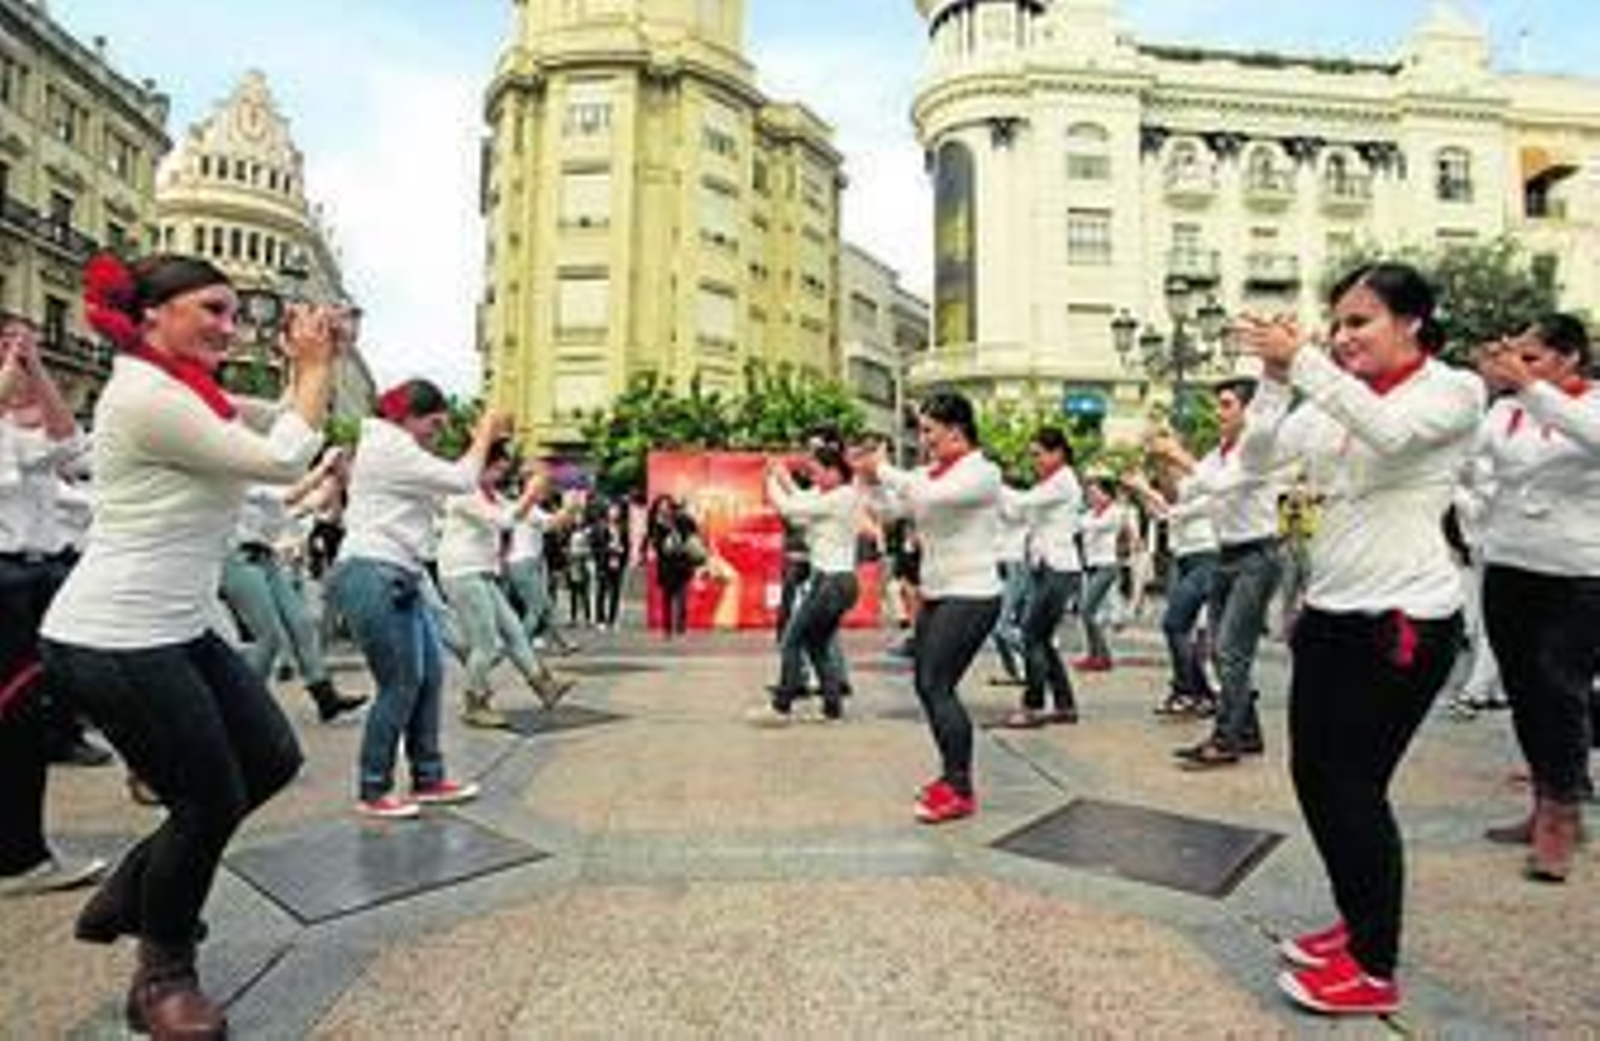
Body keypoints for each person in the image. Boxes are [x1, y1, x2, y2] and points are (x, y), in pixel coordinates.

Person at [39, 253, 346, 1037]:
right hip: (114, 636)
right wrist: (311, 367)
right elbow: (283, 457)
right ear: (151, 318)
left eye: (232, 311)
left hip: (174, 627)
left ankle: (132, 887)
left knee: (271, 758)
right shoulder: (143, 397)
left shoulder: (190, 390)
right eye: (210, 308)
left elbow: (274, 418)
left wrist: (313, 366)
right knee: (206, 798)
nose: (226, 324)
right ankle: (162, 975)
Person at [1232, 261, 1483, 1016]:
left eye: (1360, 321)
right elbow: (1255, 459)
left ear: (1412, 321)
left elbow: (1394, 434)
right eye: (1337, 323)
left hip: (1403, 619)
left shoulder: (1453, 390)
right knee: (1315, 775)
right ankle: (1356, 920)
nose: (1343, 337)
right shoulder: (1332, 397)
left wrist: (1305, 362)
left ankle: (1375, 965)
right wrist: (1274, 379)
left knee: (1354, 788)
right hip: (1332, 612)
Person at [329, 379, 508, 820]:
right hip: (375, 573)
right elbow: (460, 480)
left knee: (428, 678)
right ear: (408, 416)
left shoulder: (396, 447)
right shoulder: (389, 446)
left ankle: (428, 778)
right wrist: (484, 433)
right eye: (434, 424)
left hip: (399, 575)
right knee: (400, 685)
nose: (437, 433)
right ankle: (373, 789)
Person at [1473, 313, 1600, 882]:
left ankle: (1562, 811)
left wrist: (1529, 388)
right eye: (1515, 357)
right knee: (1525, 690)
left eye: (1533, 357)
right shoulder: (1505, 412)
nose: (1519, 367)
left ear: (1570, 357)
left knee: (1561, 688)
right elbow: (1473, 463)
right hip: (1509, 561)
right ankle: (1545, 799)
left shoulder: (1590, 404)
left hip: (1575, 569)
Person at [0, 315, 108, 899]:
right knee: (13, 725)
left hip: (29, 577)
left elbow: (70, 444)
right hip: (5, 579)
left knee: (22, 723)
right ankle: (17, 859)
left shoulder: (18, 435)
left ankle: (21, 851)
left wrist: (37, 369)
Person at [856, 392, 1001, 824]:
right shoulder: (928, 473)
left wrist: (881, 468)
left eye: (928, 430)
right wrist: (865, 480)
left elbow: (933, 499)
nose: (923, 440)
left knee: (937, 685)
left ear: (956, 430)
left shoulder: (983, 472)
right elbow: (890, 509)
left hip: (973, 593)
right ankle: (950, 776)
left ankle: (960, 788)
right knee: (926, 684)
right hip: (939, 592)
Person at [1148, 378, 1283, 767]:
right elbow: (1188, 492)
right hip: (1227, 557)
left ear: (1249, 410)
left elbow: (1223, 486)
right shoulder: (1218, 452)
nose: (1217, 413)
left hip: (1256, 557)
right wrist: (1165, 458)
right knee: (1226, 653)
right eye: (1218, 405)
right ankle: (1247, 732)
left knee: (1229, 650)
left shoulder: (1256, 450)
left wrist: (1179, 454)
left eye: (1225, 405)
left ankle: (1227, 739)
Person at [438, 439, 574, 729]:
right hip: (461, 572)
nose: (500, 475)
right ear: (481, 466)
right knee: (486, 644)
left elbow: (534, 520)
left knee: (515, 632)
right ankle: (475, 702)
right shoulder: (462, 494)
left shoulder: (492, 495)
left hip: (482, 572)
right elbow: (504, 522)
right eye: (496, 469)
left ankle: (544, 686)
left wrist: (561, 507)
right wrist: (530, 494)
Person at [220, 450, 365, 721]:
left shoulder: (274, 478)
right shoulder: (243, 472)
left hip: (266, 558)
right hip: (238, 558)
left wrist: (337, 478)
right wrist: (324, 467)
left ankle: (325, 698)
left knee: (302, 624)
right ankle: (246, 707)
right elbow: (290, 497)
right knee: (269, 638)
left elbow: (311, 502)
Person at [756, 447, 862, 723]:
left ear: (834, 471)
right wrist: (782, 478)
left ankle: (781, 707)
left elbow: (792, 509)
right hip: (837, 582)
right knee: (816, 644)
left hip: (831, 582)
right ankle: (832, 708)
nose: (812, 478)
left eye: (816, 472)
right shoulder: (833, 494)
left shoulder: (842, 496)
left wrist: (770, 480)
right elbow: (801, 502)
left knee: (792, 640)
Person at [1122, 442, 1221, 718]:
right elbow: (1160, 513)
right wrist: (1142, 493)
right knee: (1180, 627)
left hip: (1207, 557)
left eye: (1170, 469)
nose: (1168, 476)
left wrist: (1144, 489)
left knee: (1175, 624)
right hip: (1185, 559)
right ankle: (1197, 693)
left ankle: (1189, 691)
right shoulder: (1182, 491)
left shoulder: (1206, 488)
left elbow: (1171, 512)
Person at [997, 426, 1083, 728]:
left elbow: (1020, 504)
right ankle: (1064, 705)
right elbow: (1017, 513)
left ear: (1058, 452)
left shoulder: (1063, 481)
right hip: (1046, 566)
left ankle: (1033, 706)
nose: (1034, 460)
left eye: (1038, 454)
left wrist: (990, 481)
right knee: (1042, 639)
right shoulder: (1048, 483)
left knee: (1032, 635)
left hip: (1057, 567)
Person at [1073, 477, 1126, 672]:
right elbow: (1078, 526)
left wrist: (1079, 520)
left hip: (1107, 566)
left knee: (1086, 611)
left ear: (1108, 494)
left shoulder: (1116, 512)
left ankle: (1102, 657)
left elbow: (1091, 526)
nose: (1092, 496)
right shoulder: (1088, 514)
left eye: (1096, 492)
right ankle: (1096, 655)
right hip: (1091, 566)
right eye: (1090, 493)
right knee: (1088, 613)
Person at [646, 495, 700, 637]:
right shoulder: (656, 524)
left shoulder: (681, 519)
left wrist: (685, 517)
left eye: (667, 506)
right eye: (661, 507)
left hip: (681, 564)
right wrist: (661, 543)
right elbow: (654, 542)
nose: (664, 509)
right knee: (667, 598)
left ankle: (681, 626)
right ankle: (667, 628)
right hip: (666, 564)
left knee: (681, 597)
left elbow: (694, 530)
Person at [592, 500, 630, 630]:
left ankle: (613, 619)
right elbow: (595, 547)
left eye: (617, 510)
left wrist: (622, 551)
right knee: (601, 591)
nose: (615, 512)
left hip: (617, 563)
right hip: (603, 563)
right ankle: (600, 619)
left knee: (615, 593)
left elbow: (627, 546)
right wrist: (608, 549)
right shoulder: (599, 527)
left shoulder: (623, 528)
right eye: (612, 509)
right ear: (607, 511)